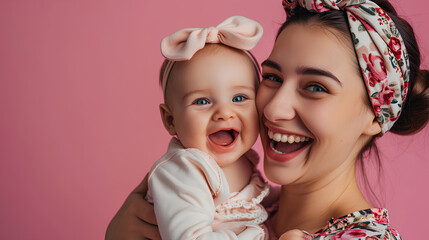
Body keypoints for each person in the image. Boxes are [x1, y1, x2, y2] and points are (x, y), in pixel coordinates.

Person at [106, 0, 429, 239]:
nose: (274, 109)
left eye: (315, 87)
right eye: (272, 77)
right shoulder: (233, 203)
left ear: (375, 116)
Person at [140, 16, 272, 240]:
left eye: (239, 98)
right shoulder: (182, 171)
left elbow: (256, 206)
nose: (224, 113)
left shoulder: (244, 159)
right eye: (202, 102)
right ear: (171, 120)